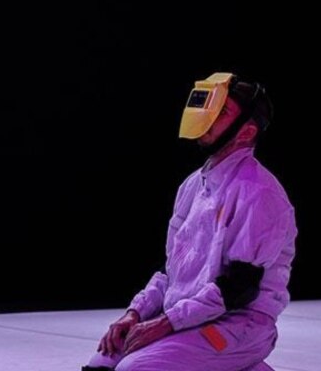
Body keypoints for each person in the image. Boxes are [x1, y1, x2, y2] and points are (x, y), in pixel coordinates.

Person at [83, 73, 296, 371]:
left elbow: (239, 289)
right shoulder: (193, 186)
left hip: (239, 325)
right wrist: (136, 313)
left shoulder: (259, 193)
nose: (208, 118)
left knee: (135, 368)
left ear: (246, 132)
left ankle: (237, 358)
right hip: (189, 317)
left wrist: (166, 323)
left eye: (222, 112)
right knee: (102, 364)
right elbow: (170, 270)